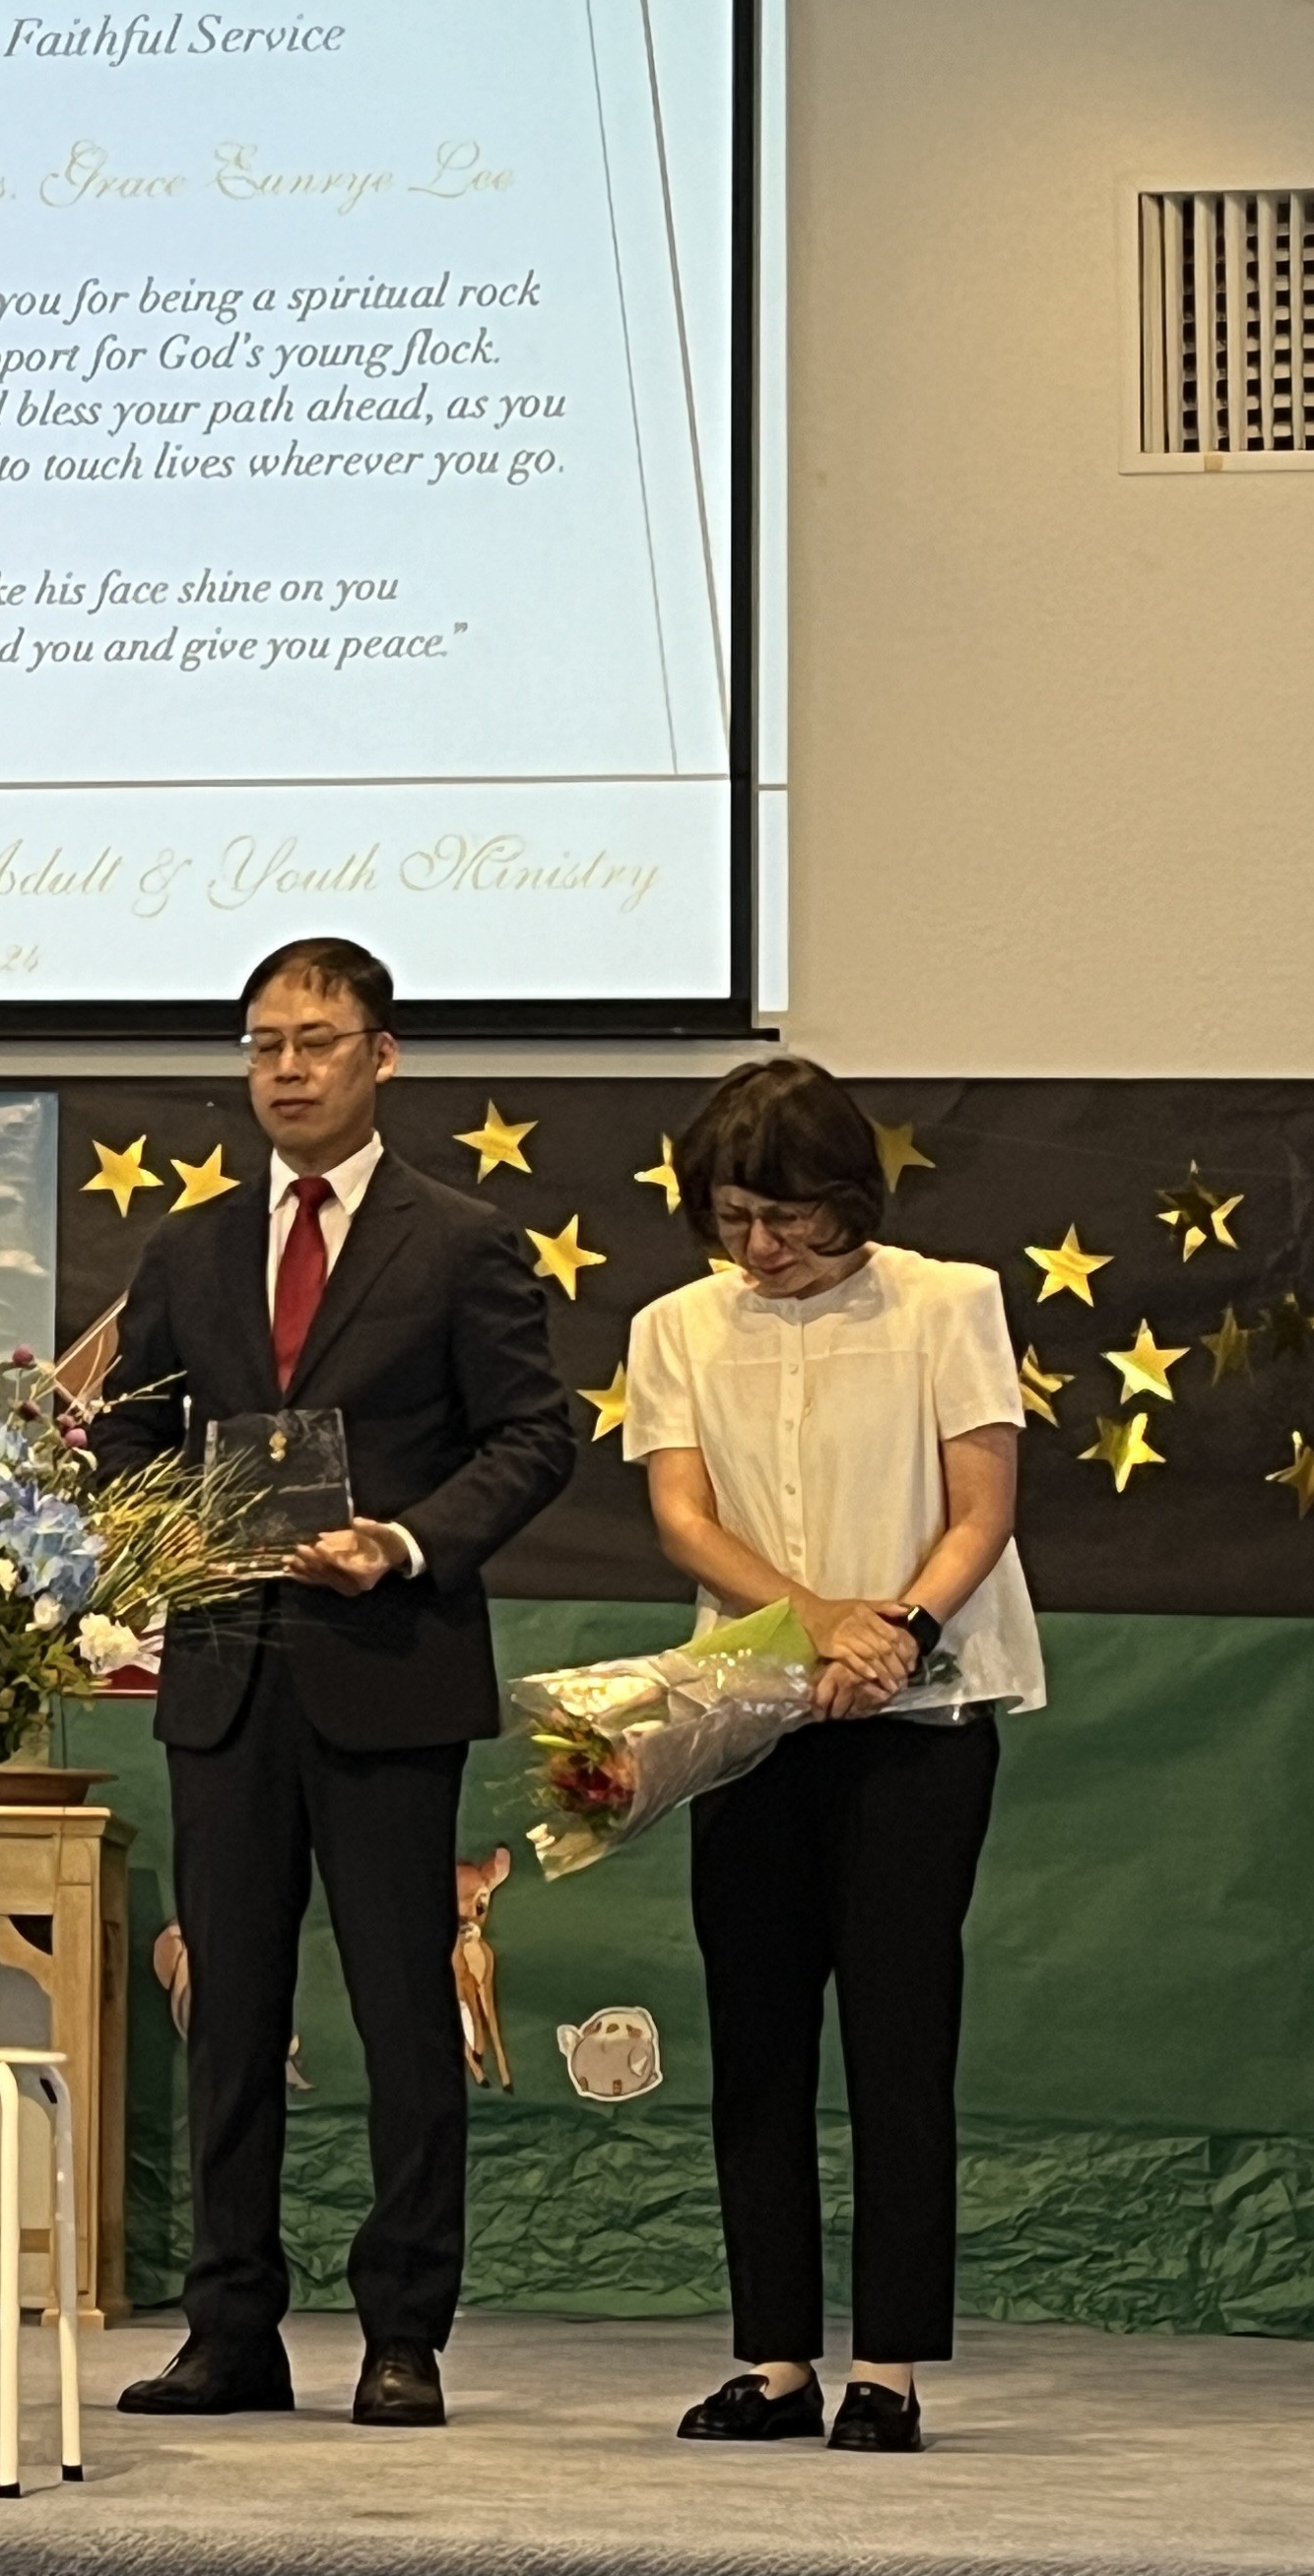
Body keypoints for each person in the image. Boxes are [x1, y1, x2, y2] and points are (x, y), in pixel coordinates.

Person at [90, 936, 577, 2428]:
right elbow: (128, 1434)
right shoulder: (189, 1251)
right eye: (264, 1045)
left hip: (389, 1673)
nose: (287, 1069)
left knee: (403, 2013)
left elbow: (533, 1436)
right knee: (229, 2013)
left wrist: (406, 1542)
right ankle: (229, 2326)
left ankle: (403, 2331)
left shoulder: (461, 1241)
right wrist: (178, 1528)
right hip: (227, 1678)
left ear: (383, 1056)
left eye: (316, 1040)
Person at [622, 1055, 1041, 2456]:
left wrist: (898, 1633)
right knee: (756, 2037)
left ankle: (890, 2367)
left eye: (788, 1216)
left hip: (922, 1717)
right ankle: (775, 2360)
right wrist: (817, 1625)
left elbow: (981, 1508)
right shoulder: (676, 1326)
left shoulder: (948, 1302)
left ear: (849, 1195)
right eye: (734, 1218)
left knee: (899, 2035)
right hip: (750, 1717)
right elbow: (684, 1519)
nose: (761, 1246)